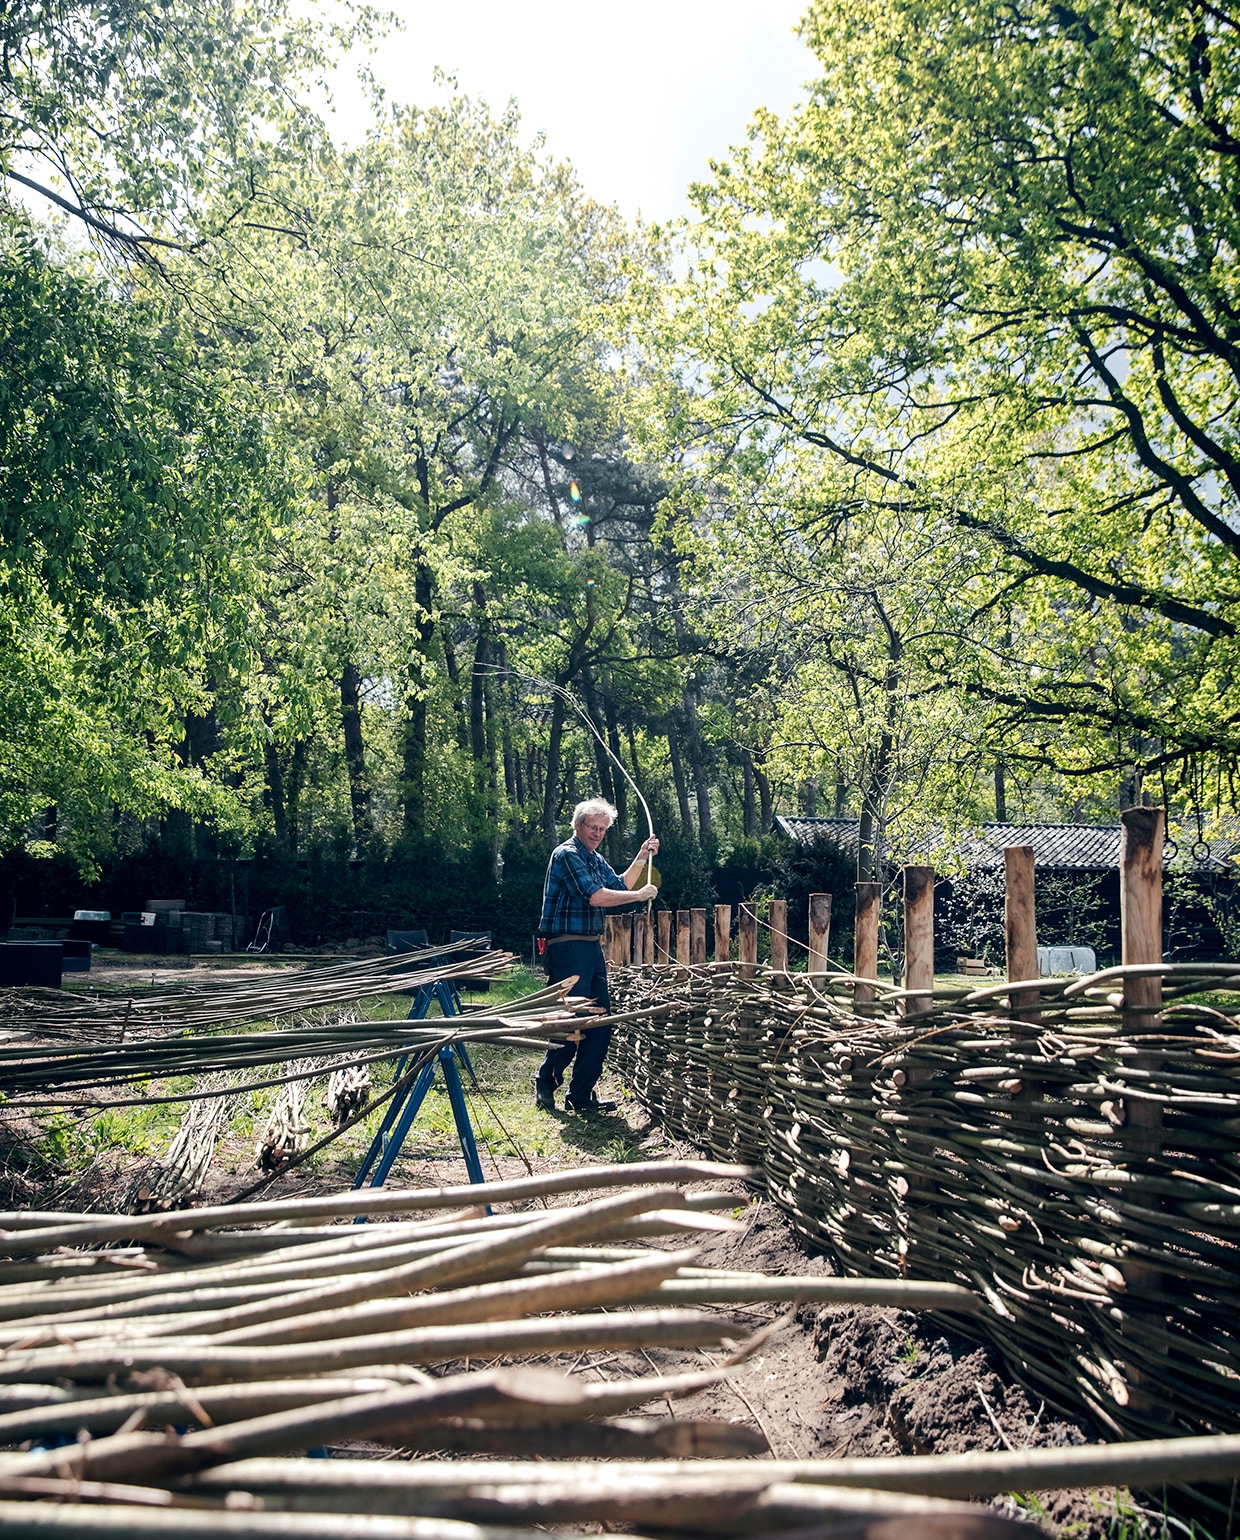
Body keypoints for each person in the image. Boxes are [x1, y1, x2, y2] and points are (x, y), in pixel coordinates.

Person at [535, 797, 658, 1114]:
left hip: (590, 946)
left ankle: (581, 1094)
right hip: (566, 946)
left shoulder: (593, 858)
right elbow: (596, 897)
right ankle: (545, 1080)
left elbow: (618, 883)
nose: (598, 833)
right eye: (593, 827)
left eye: (603, 829)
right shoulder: (567, 855)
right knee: (571, 1020)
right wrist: (639, 896)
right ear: (578, 825)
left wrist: (642, 857)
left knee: (601, 1021)